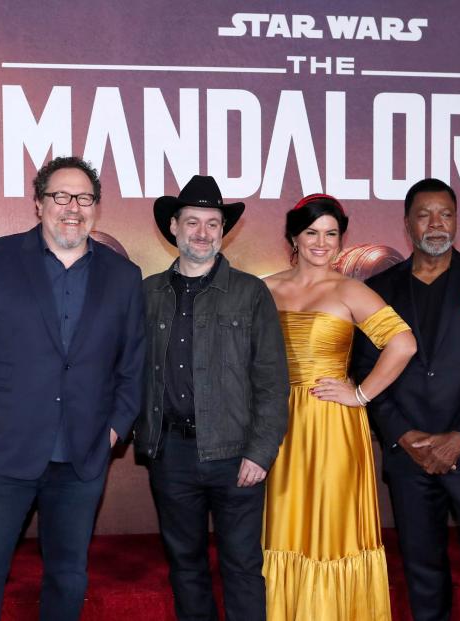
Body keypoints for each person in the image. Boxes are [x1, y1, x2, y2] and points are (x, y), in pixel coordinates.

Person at [0, 156, 145, 621]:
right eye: (60, 196)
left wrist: (116, 428)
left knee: (68, 575)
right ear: (38, 204)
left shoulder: (124, 277)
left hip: (83, 454)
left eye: (83, 198)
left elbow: (134, 363)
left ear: (96, 206)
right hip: (3, 451)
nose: (72, 207)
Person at [350, 178, 460, 621]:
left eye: (445, 213)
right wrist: (403, 435)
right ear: (407, 224)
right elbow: (365, 369)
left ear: (457, 219)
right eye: (424, 214)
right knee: (423, 569)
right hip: (410, 455)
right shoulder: (380, 288)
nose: (436, 223)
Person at [133, 175, 290, 620]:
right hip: (171, 455)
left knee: (242, 567)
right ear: (174, 228)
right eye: (192, 222)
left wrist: (260, 452)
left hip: (236, 457)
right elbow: (127, 369)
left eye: (212, 224)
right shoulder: (148, 293)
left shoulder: (250, 292)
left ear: (223, 231)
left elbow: (273, 381)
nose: (202, 233)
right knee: (186, 567)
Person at [261, 194, 416, 621]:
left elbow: (403, 344)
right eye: (312, 232)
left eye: (331, 234)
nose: (321, 242)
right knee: (284, 526)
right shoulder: (264, 288)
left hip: (332, 426)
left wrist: (361, 394)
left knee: (331, 530)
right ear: (294, 235)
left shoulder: (351, 289)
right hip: (278, 426)